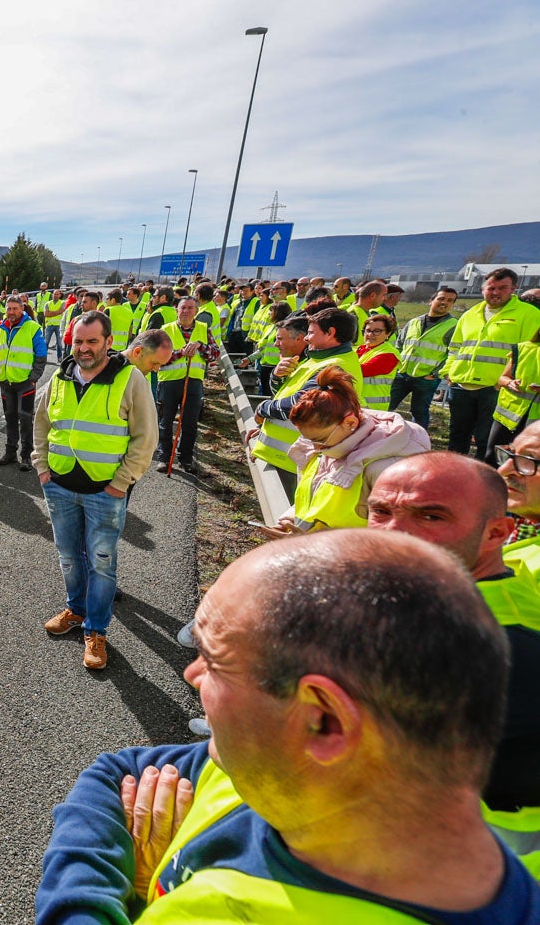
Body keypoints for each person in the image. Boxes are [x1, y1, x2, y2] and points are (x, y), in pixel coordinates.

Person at [36, 529, 540, 923]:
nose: (190, 675)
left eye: (212, 661)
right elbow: (117, 770)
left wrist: (140, 891)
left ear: (323, 720)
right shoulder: (277, 760)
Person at [366, 452, 540, 876]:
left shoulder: (500, 648)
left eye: (430, 517)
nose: (394, 532)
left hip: (460, 874)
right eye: (381, 511)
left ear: (497, 533)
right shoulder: (435, 593)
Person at [34, 311, 157, 670]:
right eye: (78, 341)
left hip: (106, 492)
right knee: (69, 557)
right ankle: (76, 609)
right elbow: (41, 424)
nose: (84, 349)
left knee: (102, 564)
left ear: (108, 342)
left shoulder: (129, 379)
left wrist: (122, 482)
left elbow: (146, 438)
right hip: (59, 488)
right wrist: (42, 468)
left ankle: (96, 630)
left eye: (92, 341)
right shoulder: (59, 376)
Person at [257, 364, 430, 537]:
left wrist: (313, 540)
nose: (316, 448)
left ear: (350, 423)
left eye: (320, 440)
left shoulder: (387, 468)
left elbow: (396, 539)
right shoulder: (323, 448)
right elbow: (315, 499)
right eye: (309, 440)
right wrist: (291, 520)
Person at [249, 304, 365, 484]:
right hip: (285, 455)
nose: (307, 339)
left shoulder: (335, 365)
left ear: (330, 333)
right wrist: (276, 376)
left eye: (311, 333)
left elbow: (300, 405)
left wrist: (263, 408)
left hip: (296, 460)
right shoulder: (318, 358)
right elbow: (284, 393)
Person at [444, 268, 540, 460]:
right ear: (482, 289)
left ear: (513, 288)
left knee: (486, 442)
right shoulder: (470, 313)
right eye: (491, 288)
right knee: (457, 437)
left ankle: (483, 484)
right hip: (462, 385)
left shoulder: (528, 314)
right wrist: (449, 372)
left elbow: (527, 352)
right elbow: (455, 346)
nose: (495, 292)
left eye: (502, 288)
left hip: (494, 389)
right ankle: (452, 477)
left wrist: (506, 381)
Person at [156, 297, 218, 475]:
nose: (186, 311)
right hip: (168, 381)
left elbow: (214, 355)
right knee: (165, 423)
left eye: (190, 308)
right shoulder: (165, 330)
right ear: (177, 309)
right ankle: (164, 458)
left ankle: (186, 459)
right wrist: (180, 353)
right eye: (183, 308)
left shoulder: (204, 330)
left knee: (190, 423)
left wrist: (200, 346)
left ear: (196, 311)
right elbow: (158, 357)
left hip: (193, 382)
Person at [390, 286, 458, 429]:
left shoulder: (453, 326)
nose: (444, 302)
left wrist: (435, 373)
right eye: (441, 298)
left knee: (419, 412)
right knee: (388, 404)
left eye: (450, 300)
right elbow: (400, 345)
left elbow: (453, 353)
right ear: (431, 301)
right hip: (402, 374)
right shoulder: (414, 322)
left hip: (426, 378)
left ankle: (419, 442)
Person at [0, 295, 48, 471]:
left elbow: (41, 354)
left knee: (25, 420)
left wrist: (34, 377)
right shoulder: (1, 328)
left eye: (14, 309)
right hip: (6, 382)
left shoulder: (32, 327)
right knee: (10, 418)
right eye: (8, 309)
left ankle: (26, 455)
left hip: (25, 382)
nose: (11, 312)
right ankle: (10, 452)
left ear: (22, 309)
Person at [491, 323, 540, 461]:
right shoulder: (522, 348)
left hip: (536, 424)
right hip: (507, 416)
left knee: (526, 463)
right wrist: (509, 383)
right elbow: (502, 378)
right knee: (493, 457)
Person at [355, 312, 402, 410]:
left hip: (372, 408)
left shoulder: (389, 354)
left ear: (388, 333)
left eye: (377, 331)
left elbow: (360, 370)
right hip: (357, 403)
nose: (370, 334)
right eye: (367, 330)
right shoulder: (361, 349)